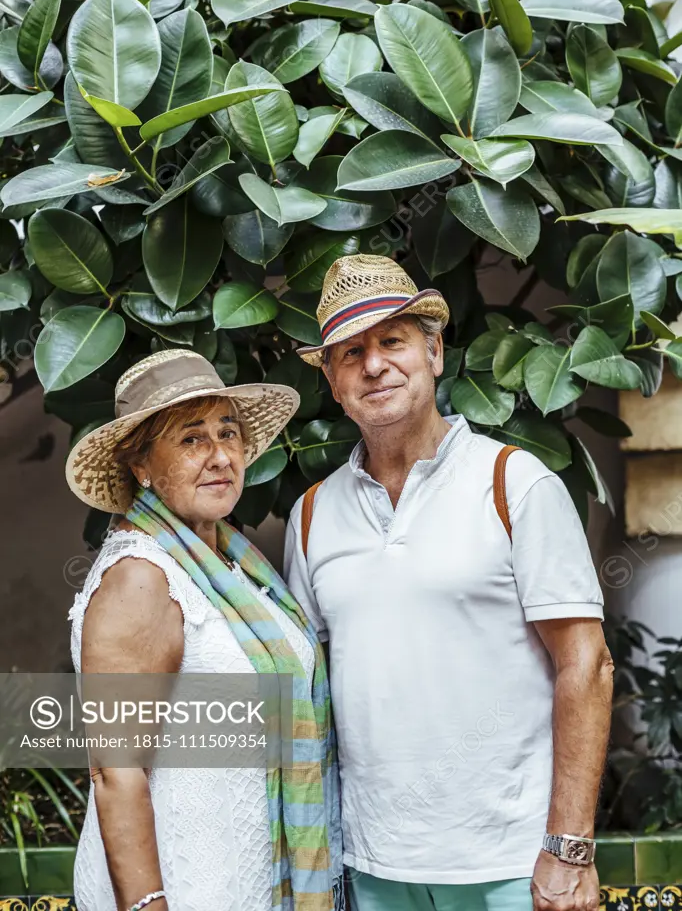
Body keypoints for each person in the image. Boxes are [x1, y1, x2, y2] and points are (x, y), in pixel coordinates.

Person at [284, 254, 613, 911]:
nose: (374, 364)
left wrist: (570, 847)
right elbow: (304, 692)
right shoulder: (311, 515)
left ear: (434, 352)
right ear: (333, 380)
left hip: (513, 863)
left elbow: (588, 664)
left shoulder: (513, 484)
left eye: (392, 341)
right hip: (373, 863)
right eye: (350, 352)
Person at [66, 349, 343, 911]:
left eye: (228, 433)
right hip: (184, 888)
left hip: (245, 883)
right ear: (141, 465)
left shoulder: (235, 568)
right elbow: (116, 774)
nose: (220, 456)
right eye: (192, 439)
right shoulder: (142, 578)